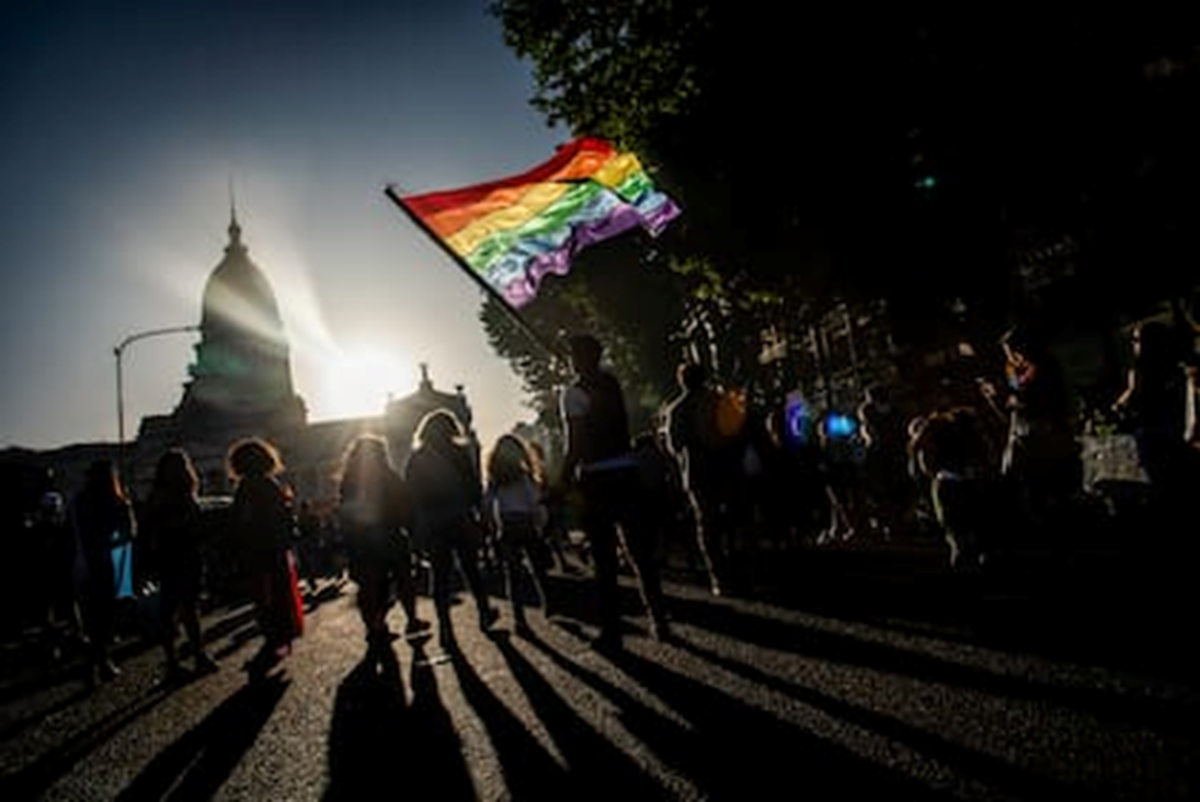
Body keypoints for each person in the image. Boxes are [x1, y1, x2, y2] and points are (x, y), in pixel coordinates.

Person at [561, 333, 670, 651]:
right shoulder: (611, 384)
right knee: (640, 553)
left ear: (575, 359)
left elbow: (575, 442)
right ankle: (659, 618)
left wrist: (563, 478)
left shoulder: (572, 393)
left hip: (596, 478)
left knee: (604, 558)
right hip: (626, 472)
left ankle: (612, 630)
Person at [405, 409, 498, 653]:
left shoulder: (417, 458)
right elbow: (473, 487)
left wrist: (415, 529)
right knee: (471, 568)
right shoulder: (458, 453)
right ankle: (484, 612)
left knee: (440, 576)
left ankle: (445, 627)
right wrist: (480, 516)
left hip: (432, 523)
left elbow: (410, 495)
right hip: (459, 517)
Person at [337, 434, 430, 653]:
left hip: (361, 540)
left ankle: (375, 627)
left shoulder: (349, 480)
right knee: (403, 579)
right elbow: (405, 505)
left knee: (370, 587)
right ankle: (411, 619)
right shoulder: (389, 476)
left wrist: (346, 541)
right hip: (390, 535)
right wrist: (412, 530)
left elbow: (345, 512)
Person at [227, 437, 304, 679]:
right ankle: (279, 640)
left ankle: (274, 642)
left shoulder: (247, 487)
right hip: (275, 551)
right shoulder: (271, 484)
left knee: (264, 601)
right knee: (278, 597)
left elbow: (242, 522)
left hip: (257, 552)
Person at [143, 448, 218, 683]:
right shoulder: (163, 496)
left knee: (187, 609)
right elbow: (155, 528)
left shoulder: (181, 493)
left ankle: (193, 657)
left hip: (186, 554)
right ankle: (176, 663)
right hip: (172, 555)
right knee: (175, 610)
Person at [68, 459, 136, 686]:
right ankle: (96, 664)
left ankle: (99, 664)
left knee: (92, 620)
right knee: (105, 620)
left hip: (81, 565)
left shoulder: (78, 502)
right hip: (107, 567)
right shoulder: (114, 502)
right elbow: (127, 535)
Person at [484, 432, 553, 634]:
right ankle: (548, 604)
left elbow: (487, 504)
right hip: (527, 525)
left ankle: (519, 619)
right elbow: (534, 503)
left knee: (513, 575)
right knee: (538, 569)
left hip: (507, 526)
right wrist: (541, 524)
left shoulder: (495, 481)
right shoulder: (524, 478)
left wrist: (490, 527)